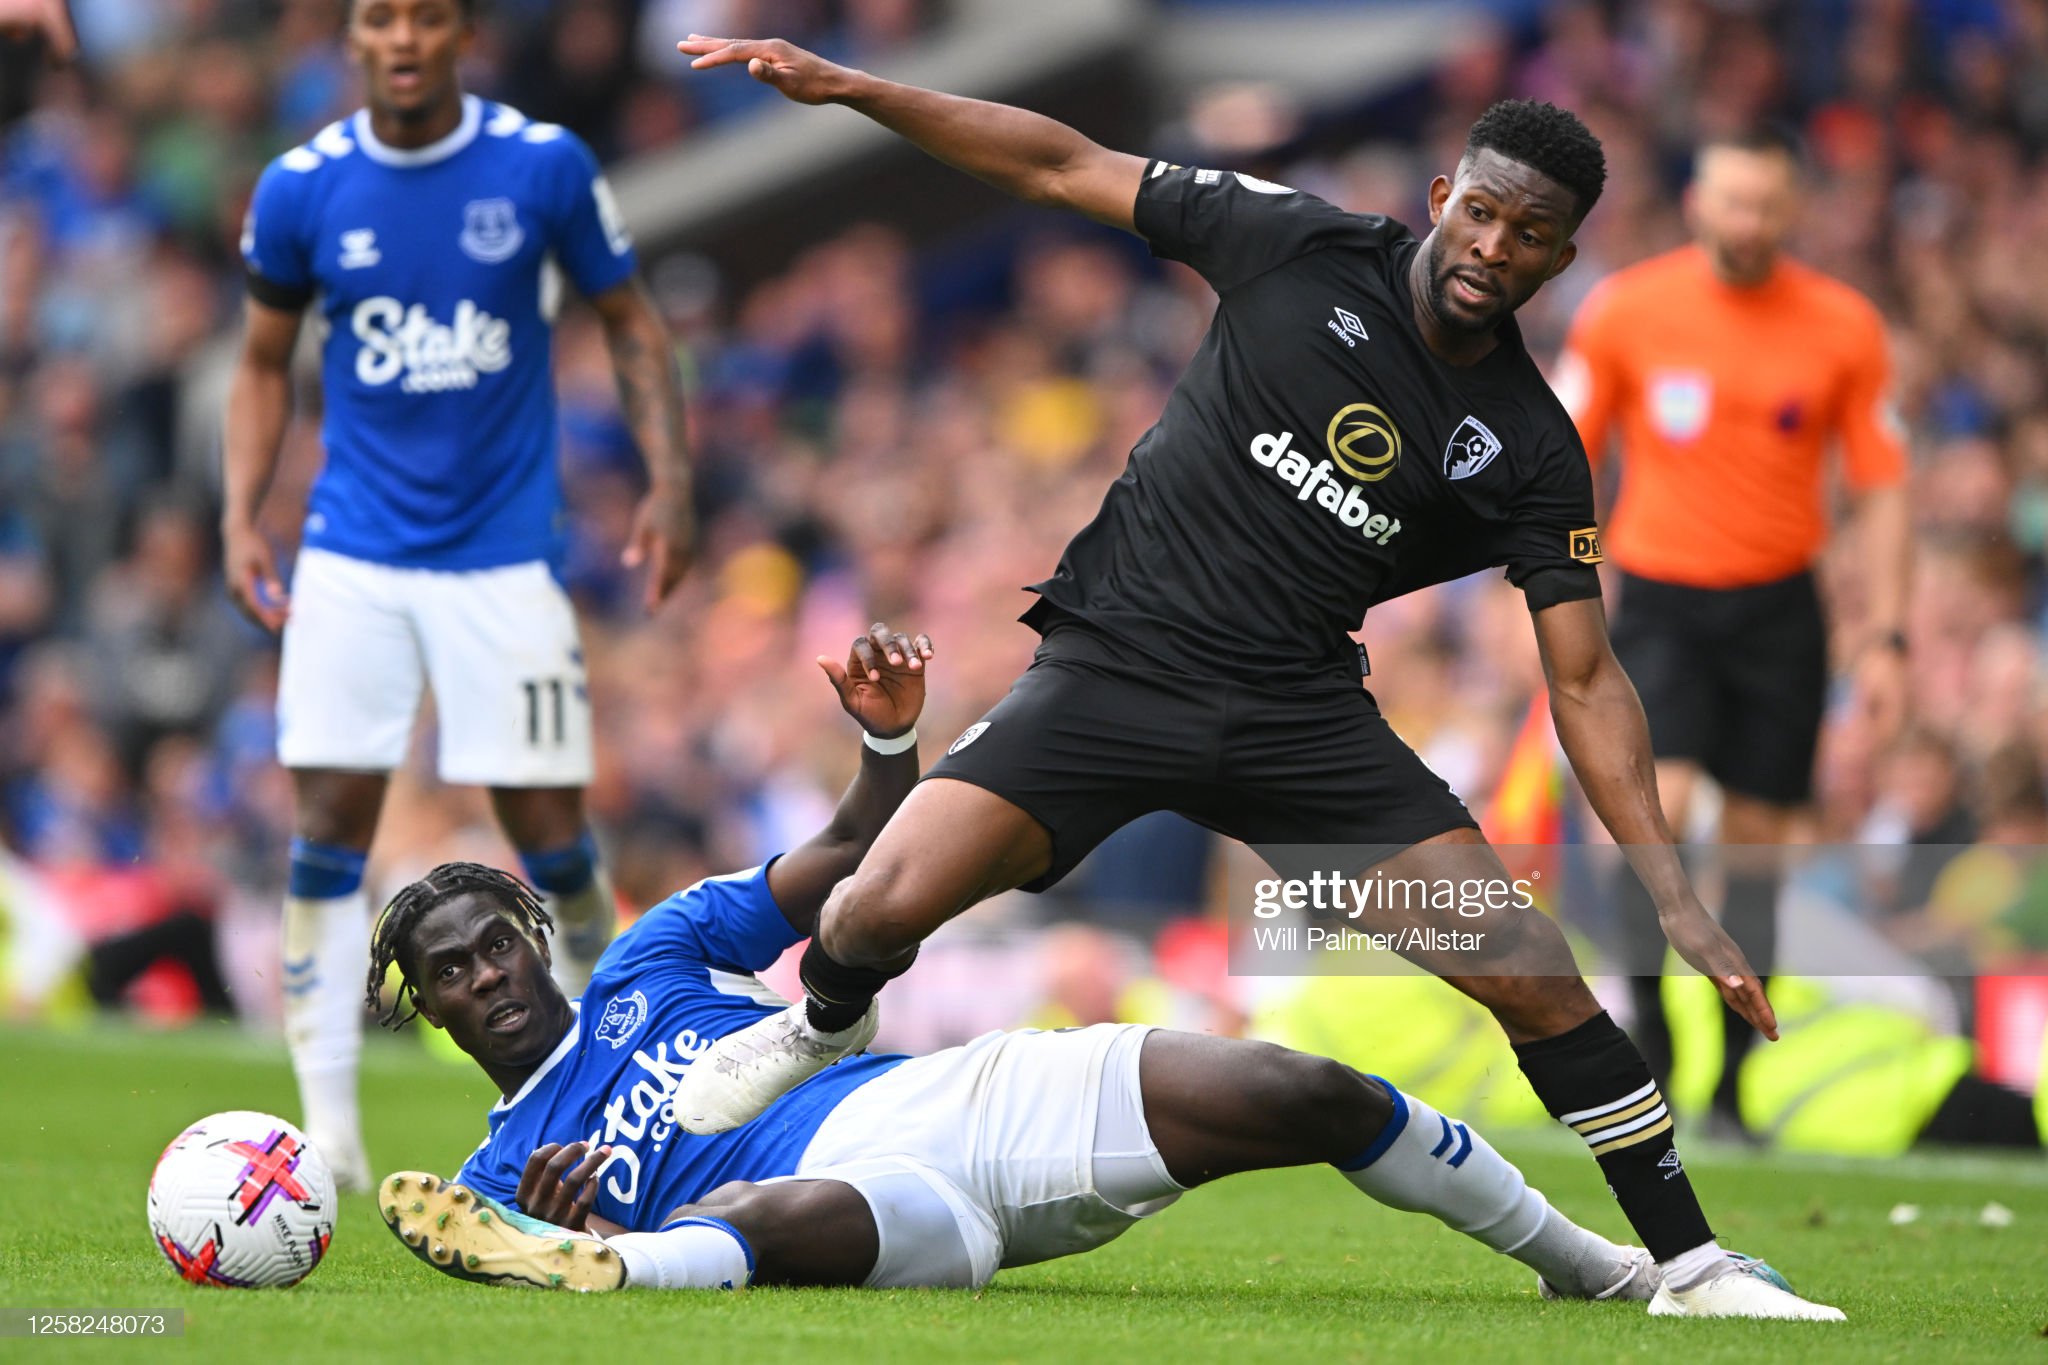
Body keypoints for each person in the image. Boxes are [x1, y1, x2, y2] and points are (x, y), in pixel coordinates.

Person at [662, 36, 1842, 1322]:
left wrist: (1673, 896)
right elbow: (1062, 164)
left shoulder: (1528, 448)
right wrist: (856, 88)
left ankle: (1690, 1264)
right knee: (874, 909)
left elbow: (1586, 679)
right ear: (1444, 194)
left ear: (1560, 258)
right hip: (1115, 669)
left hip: (1294, 726)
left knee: (1531, 973)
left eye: (1531, 234)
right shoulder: (1295, 244)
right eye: (1484, 212)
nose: (1494, 248)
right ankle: (816, 1029)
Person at [369, 625, 1811, 1315]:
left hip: (954, 1097)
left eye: (496, 938)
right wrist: (550, 1230)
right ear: (424, 1008)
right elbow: (454, 1243)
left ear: (535, 936)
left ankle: (1603, 1270)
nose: (486, 971)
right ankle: (621, 1267)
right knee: (777, 1204)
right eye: (451, 968)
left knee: (1302, 1088)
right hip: (880, 1210)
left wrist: (889, 747)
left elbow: (852, 870)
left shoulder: (650, 956)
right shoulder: (499, 1173)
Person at [223, 0, 692, 1190]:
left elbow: (630, 324)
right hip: (355, 557)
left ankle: (616, 1079)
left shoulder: (539, 167)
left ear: (461, 34)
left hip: (500, 559)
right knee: (327, 823)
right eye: (379, 17)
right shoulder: (301, 188)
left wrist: (669, 478)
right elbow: (260, 362)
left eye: (427, 17)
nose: (402, 38)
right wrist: (238, 509)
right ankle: (324, 1134)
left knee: (550, 834)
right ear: (353, 38)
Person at [1554, 127, 1911, 1137]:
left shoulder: (1841, 326)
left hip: (1777, 610)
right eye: (1729, 201)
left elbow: (1883, 489)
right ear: (1696, 201)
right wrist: (1543, 585)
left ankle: (1727, 1090)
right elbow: (1561, 454)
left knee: (1757, 850)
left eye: (1764, 205)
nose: (1745, 223)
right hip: (1660, 603)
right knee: (1641, 819)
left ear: (1790, 211)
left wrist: (1884, 635)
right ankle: (1654, 1053)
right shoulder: (1625, 311)